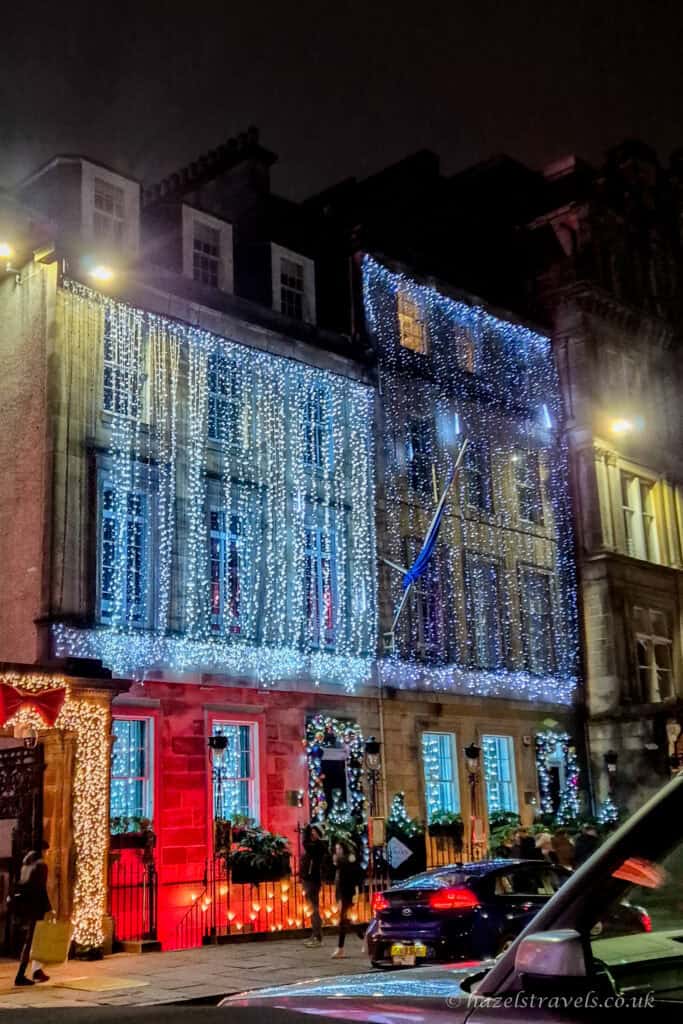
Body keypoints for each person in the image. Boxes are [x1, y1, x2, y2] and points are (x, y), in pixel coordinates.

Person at [14, 841, 52, 987]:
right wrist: (49, 908)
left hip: (26, 908)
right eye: (47, 851)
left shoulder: (27, 864)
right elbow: (40, 889)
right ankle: (21, 975)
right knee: (33, 941)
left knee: (33, 940)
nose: (48, 854)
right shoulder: (41, 866)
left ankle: (36, 971)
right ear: (42, 851)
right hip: (36, 909)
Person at [331, 838, 363, 960]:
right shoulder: (340, 862)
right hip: (341, 893)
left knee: (343, 921)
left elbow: (352, 876)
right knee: (346, 920)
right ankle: (364, 937)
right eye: (336, 849)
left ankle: (340, 948)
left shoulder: (348, 860)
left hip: (347, 893)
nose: (337, 851)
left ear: (343, 849)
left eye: (339, 848)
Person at [300, 823, 327, 948]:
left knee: (313, 908)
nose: (312, 833)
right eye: (312, 831)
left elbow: (305, 844)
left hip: (313, 880)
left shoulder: (319, 846)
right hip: (308, 878)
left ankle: (317, 936)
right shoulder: (314, 845)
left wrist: (306, 831)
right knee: (312, 908)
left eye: (315, 831)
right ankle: (315, 934)